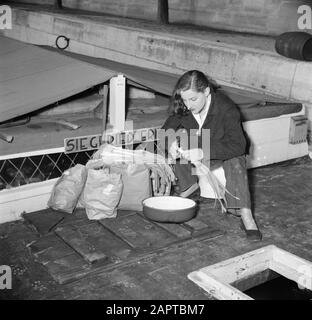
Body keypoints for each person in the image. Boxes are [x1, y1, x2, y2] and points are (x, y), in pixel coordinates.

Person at [160, 70, 262, 241]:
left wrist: (202, 151)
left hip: (223, 149)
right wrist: (170, 141)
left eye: (193, 99)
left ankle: (246, 215)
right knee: (177, 140)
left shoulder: (226, 108)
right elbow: (166, 130)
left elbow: (238, 145)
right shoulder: (184, 104)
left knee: (236, 160)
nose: (188, 104)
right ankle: (188, 186)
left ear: (206, 91)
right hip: (199, 146)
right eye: (184, 99)